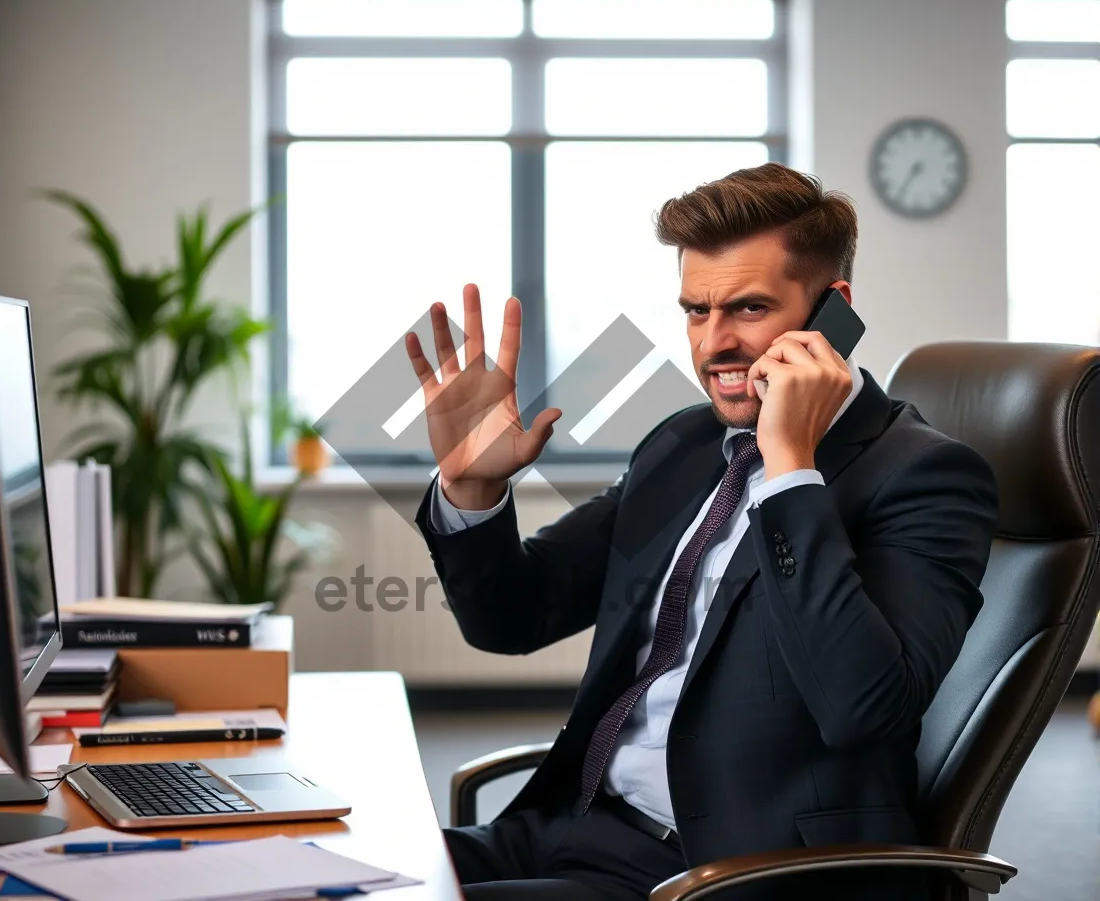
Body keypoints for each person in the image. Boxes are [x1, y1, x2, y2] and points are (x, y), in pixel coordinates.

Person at [406, 163, 998, 901]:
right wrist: (474, 486)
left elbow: (861, 706)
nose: (714, 343)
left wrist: (790, 469)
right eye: (695, 310)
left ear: (831, 313)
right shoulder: (683, 447)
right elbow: (512, 618)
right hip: (577, 827)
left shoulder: (926, 477)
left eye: (748, 309)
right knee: (323, 869)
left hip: (724, 873)